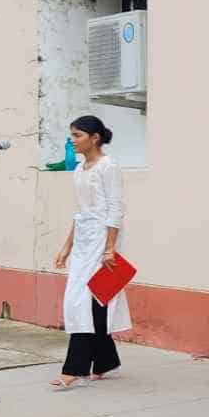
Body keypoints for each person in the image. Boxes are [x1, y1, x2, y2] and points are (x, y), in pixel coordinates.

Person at [51, 116, 130, 388]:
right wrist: (67, 246)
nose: (72, 140)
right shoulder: (79, 169)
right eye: (72, 135)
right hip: (84, 240)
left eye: (77, 135)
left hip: (103, 240)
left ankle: (75, 368)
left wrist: (110, 248)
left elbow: (116, 209)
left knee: (85, 301)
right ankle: (106, 361)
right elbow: (80, 212)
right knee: (91, 301)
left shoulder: (108, 166)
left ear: (94, 138)